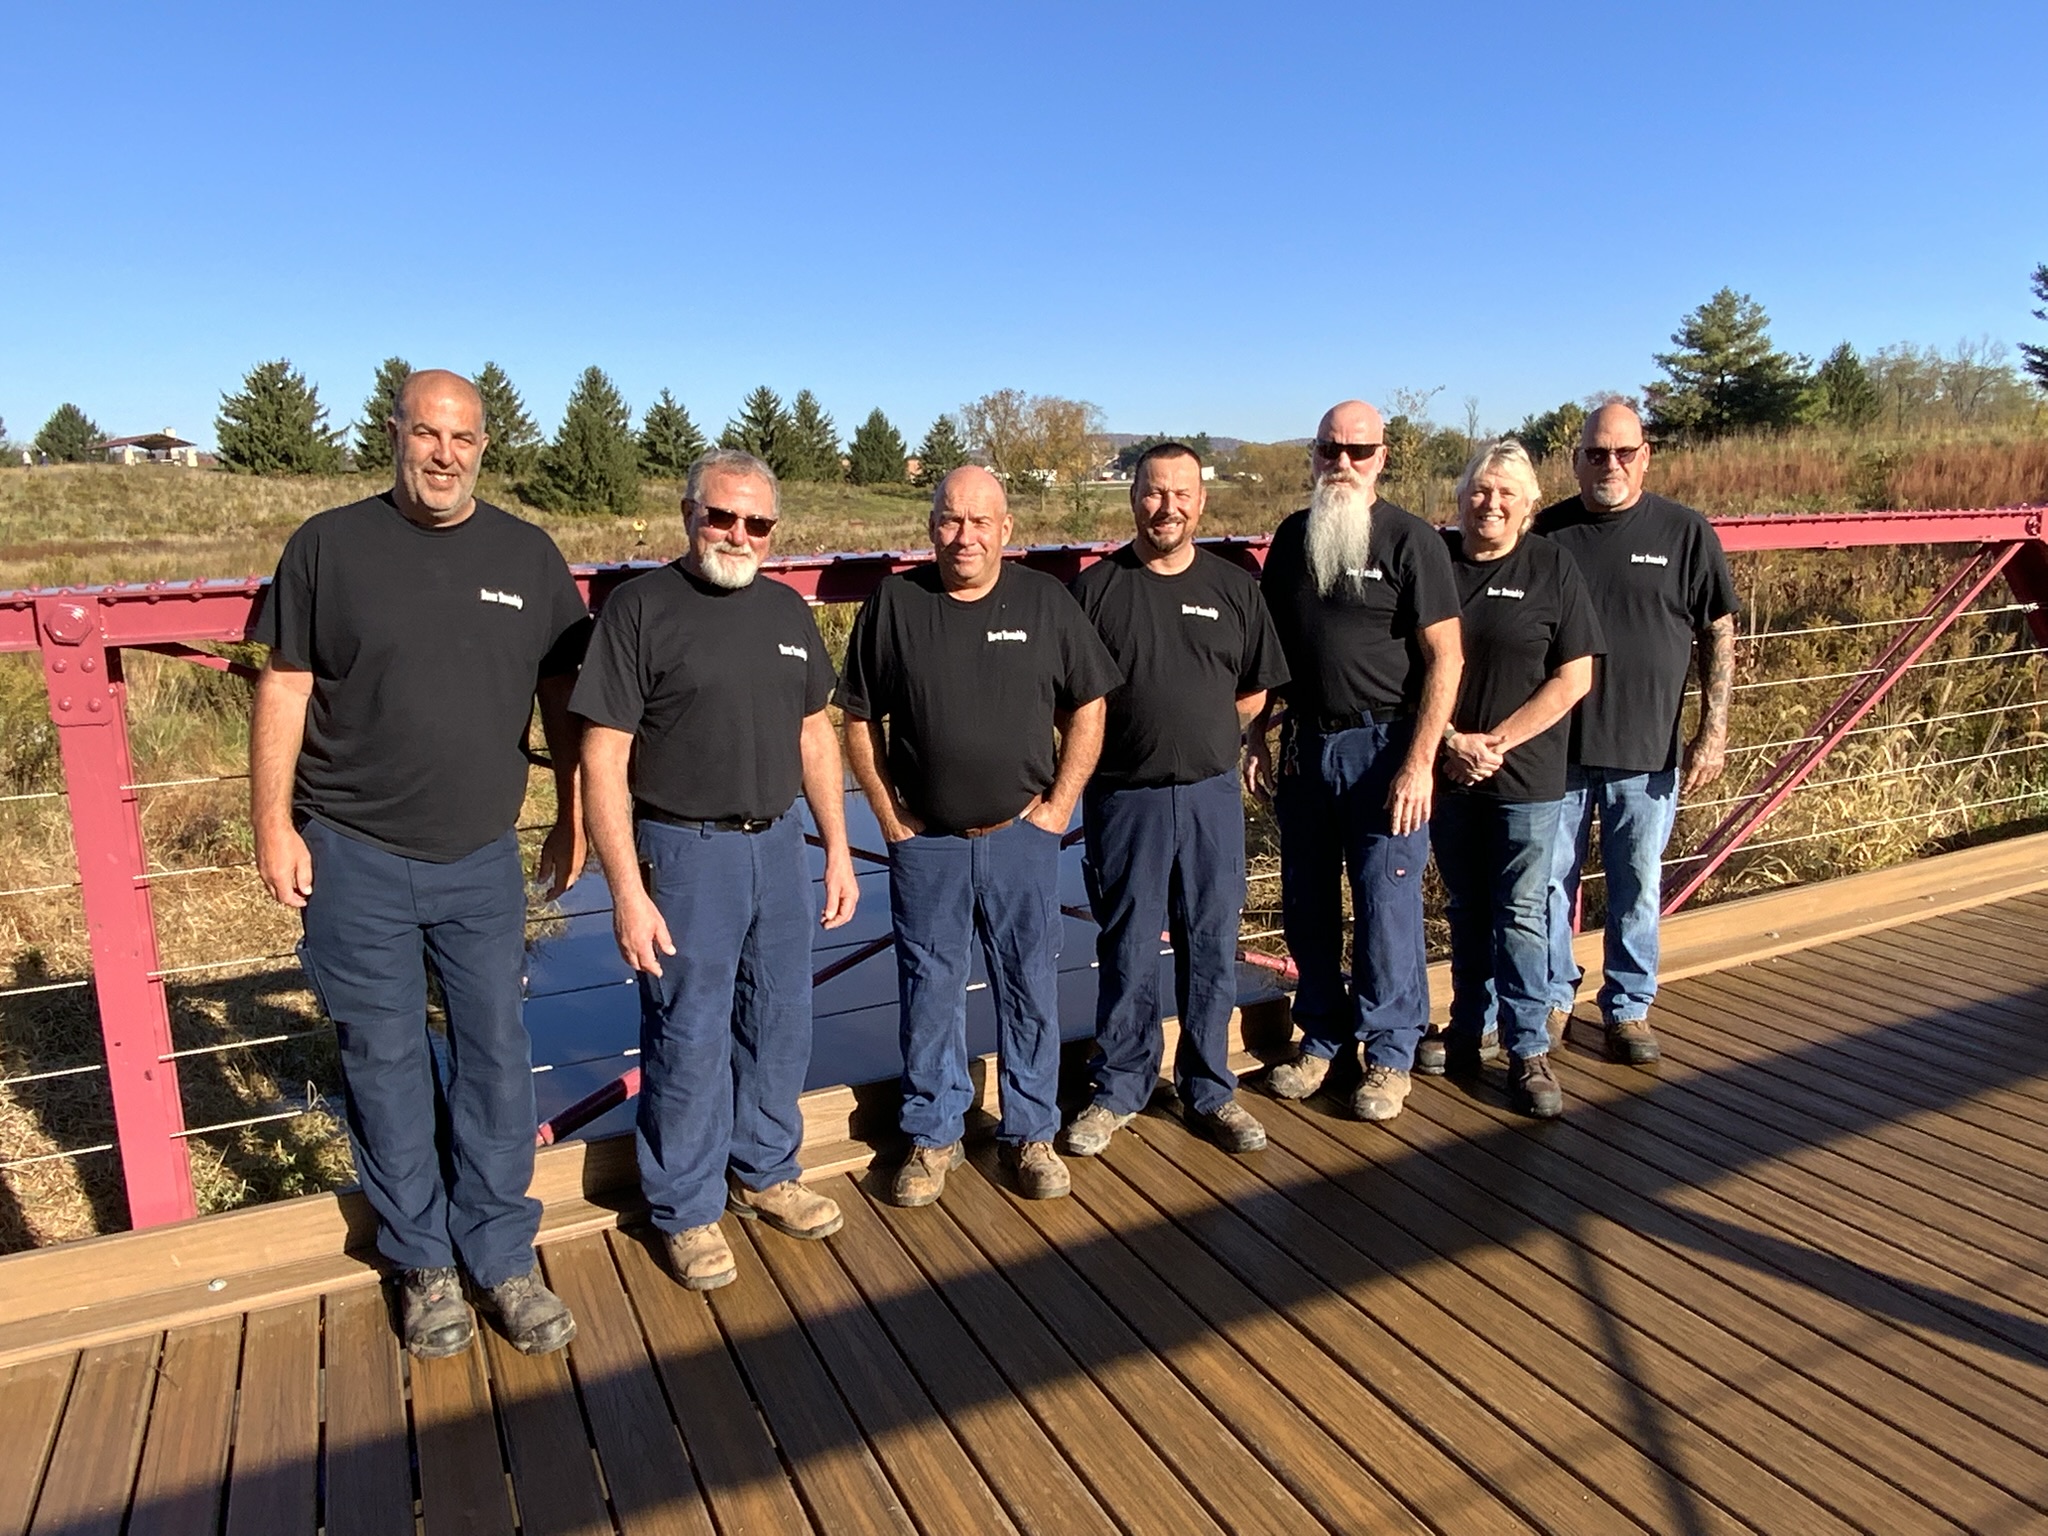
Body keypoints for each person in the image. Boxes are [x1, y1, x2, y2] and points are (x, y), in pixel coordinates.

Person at [251, 369, 588, 1359]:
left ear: (485, 447)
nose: (444, 453)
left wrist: (571, 817)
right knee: (384, 1061)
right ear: (394, 433)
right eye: (427, 433)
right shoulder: (328, 546)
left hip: (480, 856)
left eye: (464, 438)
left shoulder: (527, 555)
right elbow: (284, 687)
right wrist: (272, 822)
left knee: (493, 1059)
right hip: (351, 852)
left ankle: (500, 1257)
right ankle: (423, 1263)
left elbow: (566, 701)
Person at [571, 449, 858, 1292]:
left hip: (780, 843)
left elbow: (815, 734)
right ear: (687, 513)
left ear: (774, 531)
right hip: (684, 850)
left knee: (780, 1019)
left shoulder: (785, 610)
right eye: (721, 516)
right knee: (688, 1032)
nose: (737, 534)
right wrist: (625, 889)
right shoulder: (639, 609)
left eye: (757, 523)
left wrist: (837, 846)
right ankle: (687, 1209)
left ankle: (767, 1171)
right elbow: (603, 757)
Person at [840, 466, 1121, 1204]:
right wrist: (887, 814)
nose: (963, 536)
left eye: (979, 522)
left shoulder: (1045, 601)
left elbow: (1090, 705)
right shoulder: (894, 604)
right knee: (928, 989)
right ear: (931, 525)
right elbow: (859, 718)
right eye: (949, 520)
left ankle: (1030, 1133)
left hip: (1022, 836)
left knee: (1028, 987)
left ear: (1006, 530)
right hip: (925, 843)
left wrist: (1060, 806)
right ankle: (934, 1138)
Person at [1065, 443, 1290, 1158]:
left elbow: (1256, 688)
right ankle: (1120, 1088)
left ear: (1202, 501)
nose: (1167, 507)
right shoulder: (1095, 589)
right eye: (1154, 493)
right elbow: (1069, 700)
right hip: (1123, 800)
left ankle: (1209, 1088)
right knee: (1127, 946)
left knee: (1212, 947)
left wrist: (1208, 736)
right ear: (1133, 498)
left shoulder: (1234, 587)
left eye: (1181, 493)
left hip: (1210, 798)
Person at [1247, 400, 1463, 1122]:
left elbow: (1446, 658)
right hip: (1307, 746)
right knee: (1308, 902)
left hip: (1385, 749)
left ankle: (1391, 1051)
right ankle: (1323, 1036)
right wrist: (1256, 734)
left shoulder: (1411, 541)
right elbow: (1269, 652)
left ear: (1383, 456)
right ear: (1312, 455)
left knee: (1386, 903)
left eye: (1358, 451)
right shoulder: (1292, 538)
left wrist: (1421, 761)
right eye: (1329, 450)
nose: (1342, 463)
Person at [1537, 402, 1738, 1063]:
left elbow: (1717, 631)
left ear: (1646, 456)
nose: (1611, 465)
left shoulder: (1684, 532)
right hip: (1555, 750)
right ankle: (1551, 999)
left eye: (1624, 452)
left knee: (1636, 883)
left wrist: (1714, 731)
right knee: (1546, 883)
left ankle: (1627, 1007)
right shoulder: (1548, 533)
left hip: (1646, 749)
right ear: (1576, 460)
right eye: (1597, 454)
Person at [1428, 440, 1603, 1117]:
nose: (1490, 503)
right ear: (1461, 497)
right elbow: (1409, 671)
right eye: (1479, 489)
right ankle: (1468, 1026)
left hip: (1525, 773)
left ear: (1529, 506)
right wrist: (1451, 742)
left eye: (1506, 493)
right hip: (1447, 769)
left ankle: (1527, 1046)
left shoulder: (1552, 566)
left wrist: (1495, 743)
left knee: (1523, 913)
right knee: (1466, 907)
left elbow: (1575, 676)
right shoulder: (1436, 564)